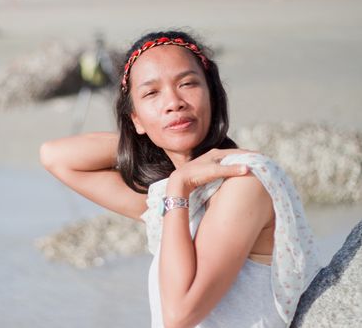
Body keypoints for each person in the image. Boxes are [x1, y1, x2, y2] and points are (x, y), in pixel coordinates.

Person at [39, 30, 323, 328]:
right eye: (151, 93)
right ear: (135, 118)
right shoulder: (173, 200)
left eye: (187, 83)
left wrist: (179, 185)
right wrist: (162, 149)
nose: (174, 102)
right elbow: (56, 157)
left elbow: (180, 314)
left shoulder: (244, 181)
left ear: (212, 94)